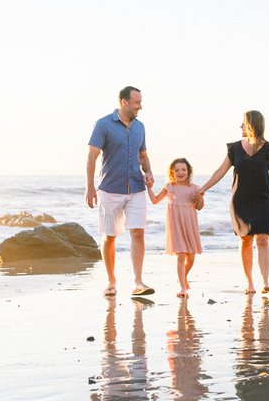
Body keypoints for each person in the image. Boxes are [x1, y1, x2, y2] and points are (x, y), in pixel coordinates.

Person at [198, 110, 269, 294]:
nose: (240, 126)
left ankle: (265, 282)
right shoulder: (234, 148)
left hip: (263, 200)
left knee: (263, 239)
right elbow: (220, 171)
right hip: (240, 201)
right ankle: (249, 282)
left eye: (243, 123)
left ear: (252, 125)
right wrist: (203, 189)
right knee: (245, 240)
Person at [85, 86, 155, 297]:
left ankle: (138, 282)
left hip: (136, 188)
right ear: (124, 102)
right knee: (110, 236)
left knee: (138, 233)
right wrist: (90, 187)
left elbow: (143, 156)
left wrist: (149, 171)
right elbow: (91, 157)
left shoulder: (140, 127)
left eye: (140, 102)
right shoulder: (103, 124)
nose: (140, 106)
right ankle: (111, 281)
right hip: (110, 189)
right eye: (136, 102)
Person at [148, 157, 203, 298]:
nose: (180, 172)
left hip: (190, 224)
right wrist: (149, 187)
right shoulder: (169, 187)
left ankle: (183, 277)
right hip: (176, 225)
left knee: (191, 257)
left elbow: (199, 207)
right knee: (181, 255)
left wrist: (201, 198)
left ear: (188, 171)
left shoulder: (194, 188)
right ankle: (182, 287)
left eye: (183, 169)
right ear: (172, 172)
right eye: (177, 170)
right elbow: (155, 201)